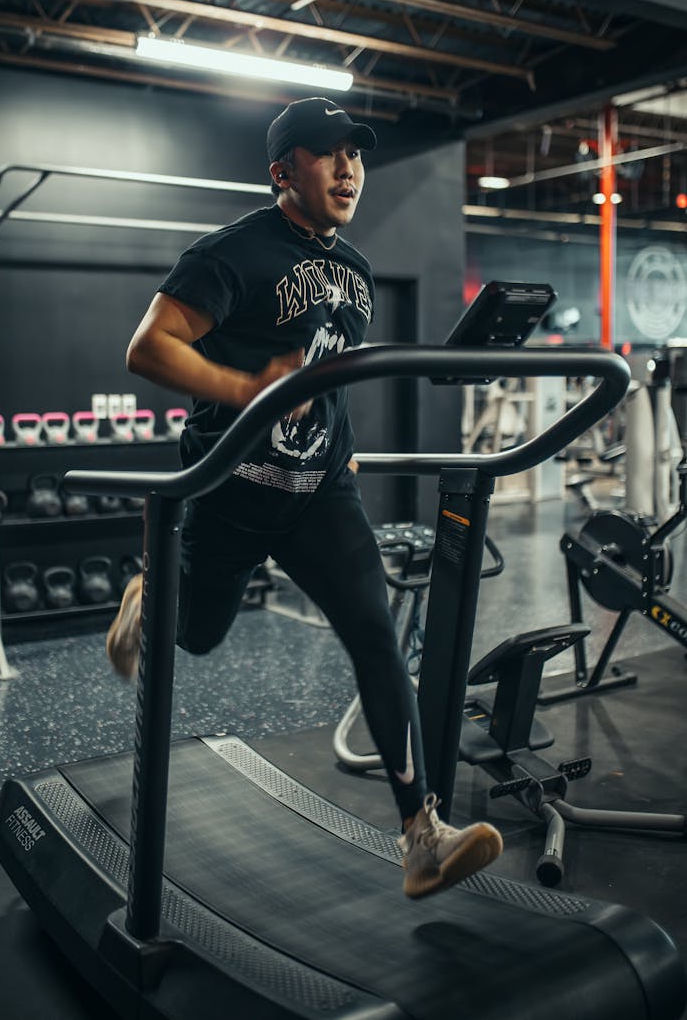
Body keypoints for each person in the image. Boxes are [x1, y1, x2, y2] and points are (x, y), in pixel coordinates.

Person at [106, 95, 503, 898]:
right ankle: (150, 596)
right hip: (227, 486)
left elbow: (327, 380)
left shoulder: (353, 270)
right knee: (200, 635)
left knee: (376, 638)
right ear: (283, 170)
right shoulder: (231, 253)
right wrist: (245, 386)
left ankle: (421, 837)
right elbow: (147, 348)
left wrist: (342, 457)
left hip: (318, 492)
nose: (348, 167)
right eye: (329, 153)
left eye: (355, 153)